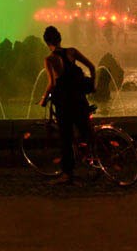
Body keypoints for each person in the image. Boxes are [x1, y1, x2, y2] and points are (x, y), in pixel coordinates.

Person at [39, 25, 95, 185]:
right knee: (86, 131)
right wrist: (93, 84)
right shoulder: (72, 52)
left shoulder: (50, 59)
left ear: (47, 42)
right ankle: (95, 162)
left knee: (66, 138)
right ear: (60, 39)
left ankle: (67, 174)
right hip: (79, 98)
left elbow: (52, 83)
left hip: (64, 102)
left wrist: (43, 99)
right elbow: (91, 66)